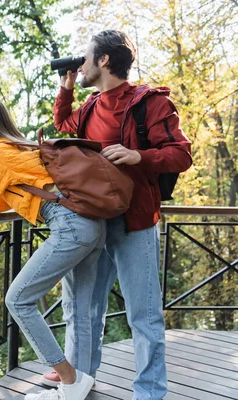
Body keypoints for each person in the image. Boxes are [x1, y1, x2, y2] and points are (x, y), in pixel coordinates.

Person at [44, 30, 192, 399]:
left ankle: (149, 392)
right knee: (83, 311)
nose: (82, 60)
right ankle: (81, 381)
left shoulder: (150, 102)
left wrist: (138, 155)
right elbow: (63, 126)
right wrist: (67, 87)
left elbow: (181, 154)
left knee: (143, 316)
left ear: (104, 60)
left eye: (87, 54)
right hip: (91, 222)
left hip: (135, 223)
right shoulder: (92, 106)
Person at [0, 98, 105, 400]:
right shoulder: (19, 148)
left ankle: (69, 378)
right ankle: (74, 388)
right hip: (92, 224)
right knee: (78, 309)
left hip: (69, 225)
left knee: (17, 300)